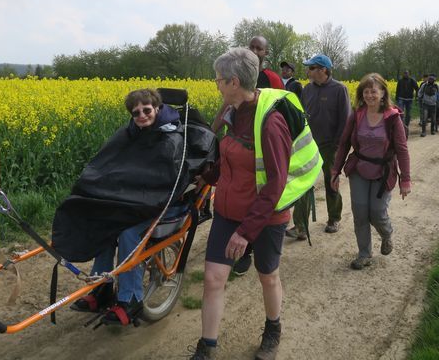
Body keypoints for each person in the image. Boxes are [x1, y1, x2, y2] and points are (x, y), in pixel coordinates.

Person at [188, 47, 321, 360]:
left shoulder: (270, 122)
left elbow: (275, 182)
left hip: (265, 216)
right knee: (212, 278)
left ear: (234, 82)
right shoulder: (231, 111)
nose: (216, 84)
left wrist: (246, 232)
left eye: (219, 80)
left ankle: (273, 327)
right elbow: (229, 158)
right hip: (228, 210)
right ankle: (206, 346)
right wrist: (207, 177)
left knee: (267, 275)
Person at [66, 88, 212, 325]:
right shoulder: (130, 134)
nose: (142, 116)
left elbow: (167, 178)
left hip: (164, 205)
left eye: (147, 110)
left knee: (127, 233)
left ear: (157, 108)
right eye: (136, 113)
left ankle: (130, 298)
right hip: (134, 202)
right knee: (105, 224)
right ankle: (101, 288)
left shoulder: (172, 136)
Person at [331, 73, 411, 270]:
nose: (369, 95)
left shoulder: (393, 118)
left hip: (383, 171)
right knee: (359, 212)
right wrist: (335, 170)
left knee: (377, 212)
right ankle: (364, 254)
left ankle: (386, 234)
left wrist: (406, 180)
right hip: (359, 168)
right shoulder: (357, 115)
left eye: (373, 91)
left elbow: (402, 149)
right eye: (365, 91)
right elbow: (343, 144)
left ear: (383, 93)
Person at [231, 35, 284, 276]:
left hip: (265, 142)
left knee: (263, 193)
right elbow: (228, 104)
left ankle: (255, 246)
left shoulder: (272, 78)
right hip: (243, 141)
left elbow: (280, 107)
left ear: (265, 52)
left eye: (258, 48)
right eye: (251, 46)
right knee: (245, 195)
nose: (254, 50)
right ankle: (245, 253)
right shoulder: (237, 73)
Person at [288, 54, 351, 237]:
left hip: (330, 146)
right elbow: (302, 116)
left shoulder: (340, 89)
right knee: (303, 184)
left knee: (331, 182)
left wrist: (338, 145)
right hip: (308, 145)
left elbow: (345, 119)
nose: (308, 71)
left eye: (312, 67)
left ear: (323, 70)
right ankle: (300, 226)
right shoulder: (307, 89)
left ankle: (334, 218)